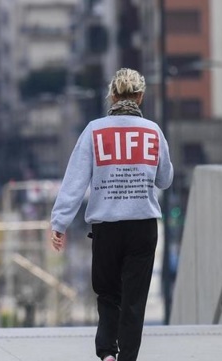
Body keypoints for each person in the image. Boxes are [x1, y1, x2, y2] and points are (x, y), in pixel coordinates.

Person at [49, 68, 173, 361]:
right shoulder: (153, 131)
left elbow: (75, 181)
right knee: (134, 300)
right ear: (140, 97)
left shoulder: (94, 130)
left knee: (108, 294)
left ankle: (107, 352)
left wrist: (59, 222)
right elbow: (165, 179)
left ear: (113, 96)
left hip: (107, 227)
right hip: (142, 226)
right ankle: (128, 357)